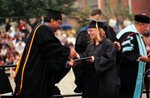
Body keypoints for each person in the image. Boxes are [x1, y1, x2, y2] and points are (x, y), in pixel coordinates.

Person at [14, 9, 78, 98]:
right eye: (59, 23)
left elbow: (50, 56)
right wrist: (68, 51)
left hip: (39, 79)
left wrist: (67, 63)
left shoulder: (44, 31)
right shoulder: (41, 29)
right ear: (52, 20)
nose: (60, 26)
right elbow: (51, 47)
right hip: (33, 80)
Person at [73, 8, 120, 93]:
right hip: (92, 78)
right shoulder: (90, 44)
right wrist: (78, 57)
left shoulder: (108, 42)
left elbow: (110, 59)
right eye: (88, 31)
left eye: (91, 31)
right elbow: (84, 55)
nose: (89, 33)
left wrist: (95, 59)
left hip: (105, 79)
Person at [117, 14, 150, 98]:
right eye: (146, 26)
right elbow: (126, 53)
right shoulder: (129, 35)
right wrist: (142, 58)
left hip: (135, 74)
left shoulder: (137, 35)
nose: (147, 29)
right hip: (128, 75)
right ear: (140, 24)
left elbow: (140, 52)